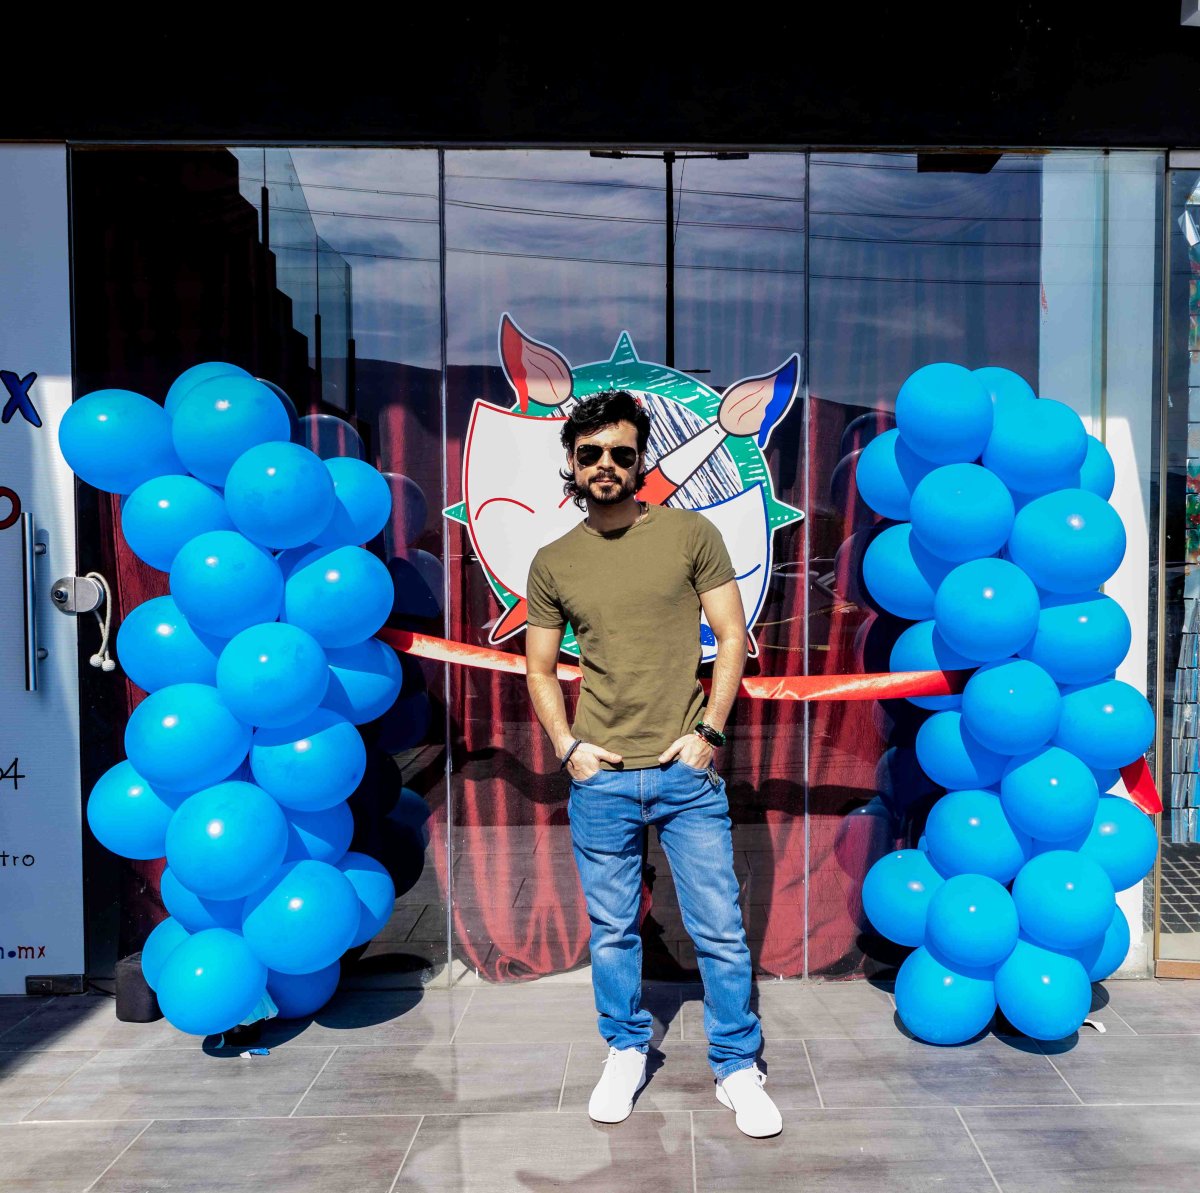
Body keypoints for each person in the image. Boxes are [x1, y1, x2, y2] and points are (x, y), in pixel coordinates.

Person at [524, 390, 782, 1139]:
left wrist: (710, 732)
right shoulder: (554, 561)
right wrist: (568, 748)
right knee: (612, 933)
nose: (606, 464)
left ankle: (737, 1065)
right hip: (600, 776)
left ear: (642, 461)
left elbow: (730, 636)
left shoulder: (689, 533)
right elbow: (539, 669)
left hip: (685, 773)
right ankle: (626, 1049)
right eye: (591, 453)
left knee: (720, 929)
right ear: (572, 462)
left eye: (622, 453)